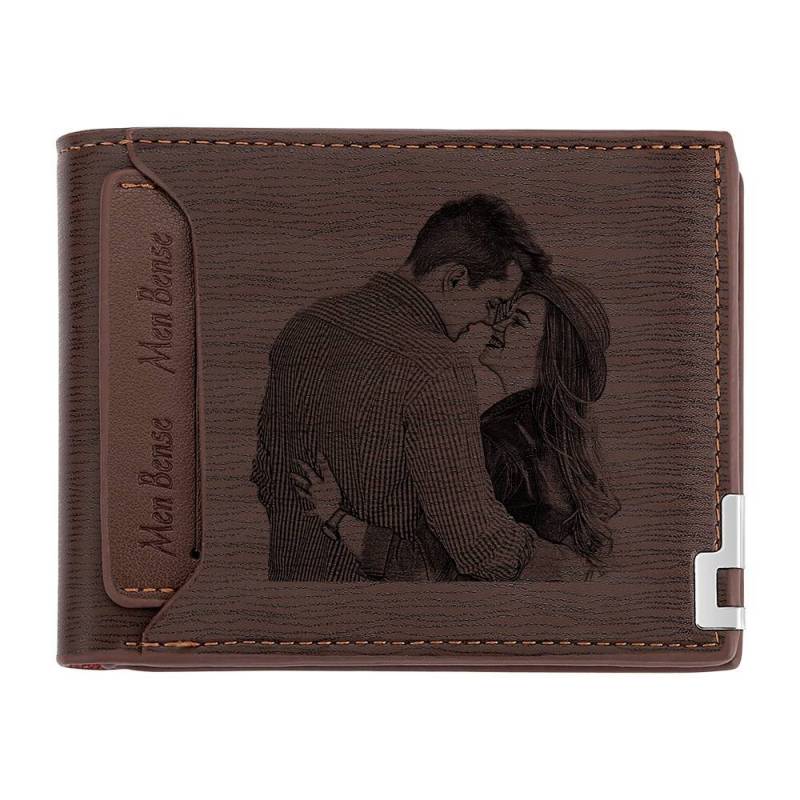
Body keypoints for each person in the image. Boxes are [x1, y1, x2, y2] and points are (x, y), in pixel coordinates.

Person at [252, 194, 552, 581]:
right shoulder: (437, 365)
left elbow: (267, 478)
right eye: (493, 303)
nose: (489, 322)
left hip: (289, 590)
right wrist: (563, 565)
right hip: (380, 608)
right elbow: (480, 547)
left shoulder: (305, 325)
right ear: (454, 278)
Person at [293, 271, 619, 580]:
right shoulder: (556, 439)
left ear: (550, 355)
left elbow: (424, 570)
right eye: (507, 314)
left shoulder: (498, 441)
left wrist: (336, 517)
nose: (499, 324)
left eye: (518, 322)